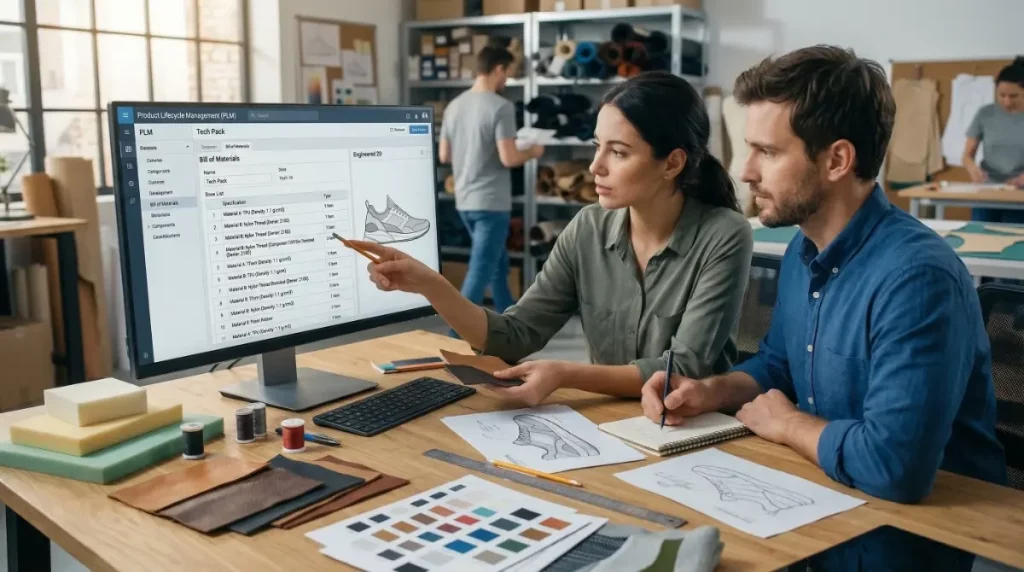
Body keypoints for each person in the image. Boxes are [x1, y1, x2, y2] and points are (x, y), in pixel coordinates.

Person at [641, 46, 1006, 571]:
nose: (745, 171)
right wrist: (712, 390)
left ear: (836, 160)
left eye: (767, 151)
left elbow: (893, 466)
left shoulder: (917, 278)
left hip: (906, 540)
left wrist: (788, 425)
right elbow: (780, 364)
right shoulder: (802, 248)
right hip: (820, 503)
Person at [351, 71, 753, 407]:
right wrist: (430, 284)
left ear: (672, 163)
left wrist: (564, 373)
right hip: (608, 423)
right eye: (598, 147)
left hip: (690, 428)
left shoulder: (724, 235)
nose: (595, 166)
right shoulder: (586, 228)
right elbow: (515, 335)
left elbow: (683, 370)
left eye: (618, 152)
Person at [438, 46, 543, 315]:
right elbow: (508, 158)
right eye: (507, 73)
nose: (506, 80)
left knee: (497, 264)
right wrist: (532, 150)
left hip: (464, 200)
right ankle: (455, 335)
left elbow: (444, 155)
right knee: (480, 270)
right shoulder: (501, 107)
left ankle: (510, 318)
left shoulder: (454, 106)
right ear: (498, 69)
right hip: (491, 203)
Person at [963, 56, 1024, 222]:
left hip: (1020, 195)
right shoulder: (985, 114)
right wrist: (972, 168)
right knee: (979, 237)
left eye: (1014, 96)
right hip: (988, 190)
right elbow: (967, 155)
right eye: (1001, 95)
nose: (1006, 101)